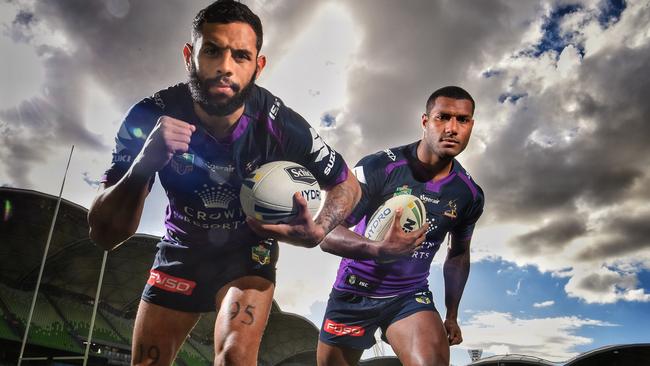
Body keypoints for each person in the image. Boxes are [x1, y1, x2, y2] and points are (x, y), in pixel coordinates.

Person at [87, 1, 360, 365]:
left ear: (258, 66)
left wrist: (320, 228)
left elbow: (347, 184)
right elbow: (106, 234)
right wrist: (142, 166)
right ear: (190, 55)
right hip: (182, 251)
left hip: (247, 254)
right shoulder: (151, 115)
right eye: (212, 50)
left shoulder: (281, 125)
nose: (225, 67)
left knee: (234, 357)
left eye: (241, 56)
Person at [317, 86, 484, 366]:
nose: (452, 128)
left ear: (471, 125)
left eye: (462, 120)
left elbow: (458, 253)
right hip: (354, 292)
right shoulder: (379, 167)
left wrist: (451, 315)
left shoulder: (468, 193)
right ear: (425, 121)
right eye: (443, 117)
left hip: (409, 295)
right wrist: (379, 249)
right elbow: (327, 233)